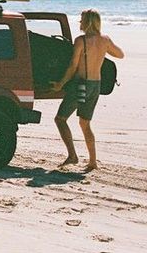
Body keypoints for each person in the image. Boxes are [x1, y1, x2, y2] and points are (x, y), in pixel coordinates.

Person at [50, 9, 124, 171]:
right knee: (85, 123)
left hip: (80, 85)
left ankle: (72, 156)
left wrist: (60, 84)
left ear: (88, 22)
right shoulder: (105, 40)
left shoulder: (81, 41)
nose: (80, 23)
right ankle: (92, 162)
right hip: (95, 86)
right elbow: (120, 54)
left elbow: (72, 66)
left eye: (82, 20)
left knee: (60, 119)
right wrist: (101, 51)